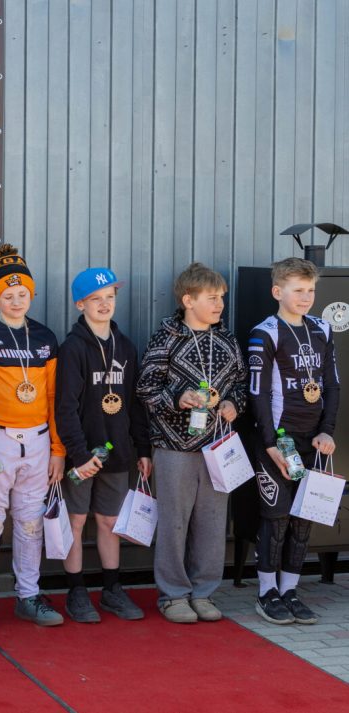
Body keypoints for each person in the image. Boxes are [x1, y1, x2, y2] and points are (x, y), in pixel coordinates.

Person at [0, 245, 66, 630]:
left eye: (22, 294)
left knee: (30, 521)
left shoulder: (45, 337)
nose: (16, 301)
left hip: (37, 442)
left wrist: (58, 450)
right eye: (8, 295)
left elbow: (54, 399)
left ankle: (28, 596)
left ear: (31, 294)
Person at [136, 263, 247, 623]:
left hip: (218, 447)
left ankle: (203, 592)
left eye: (221, 298)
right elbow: (145, 388)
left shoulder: (227, 340)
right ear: (188, 300)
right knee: (174, 523)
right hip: (174, 448)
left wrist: (233, 404)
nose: (219, 305)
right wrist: (177, 398)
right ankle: (173, 595)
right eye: (211, 298)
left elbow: (241, 385)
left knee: (213, 523)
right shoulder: (166, 338)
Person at [54, 267, 152, 623]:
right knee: (76, 521)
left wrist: (143, 449)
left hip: (118, 453)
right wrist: (79, 456)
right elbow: (65, 408)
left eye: (110, 297)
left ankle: (111, 589)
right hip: (82, 456)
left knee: (110, 521)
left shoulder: (125, 346)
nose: (104, 304)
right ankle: (76, 591)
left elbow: (135, 404)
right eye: (95, 299)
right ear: (80, 304)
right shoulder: (73, 348)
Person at [248, 257, 339, 625]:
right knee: (276, 517)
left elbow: (332, 385)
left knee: (304, 518)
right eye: (298, 290)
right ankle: (266, 592)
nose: (306, 297)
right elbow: (257, 393)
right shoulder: (265, 332)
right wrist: (270, 443)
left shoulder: (323, 329)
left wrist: (327, 430)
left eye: (310, 290)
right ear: (277, 291)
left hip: (312, 441)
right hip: (277, 442)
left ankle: (290, 590)